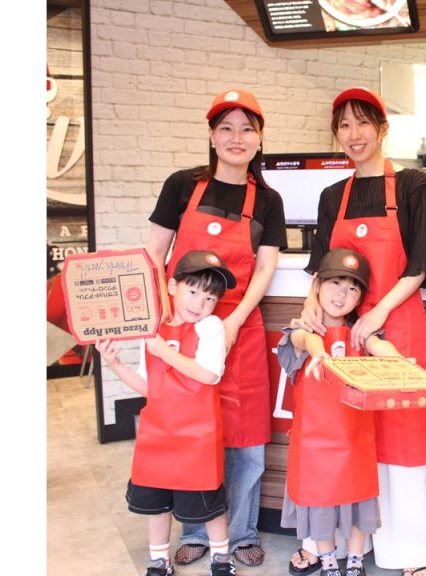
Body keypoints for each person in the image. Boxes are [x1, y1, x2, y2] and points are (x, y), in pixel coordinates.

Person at [297, 86, 426, 576]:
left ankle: (411, 553)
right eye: (344, 125)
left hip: (397, 324)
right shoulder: (332, 196)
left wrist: (377, 314)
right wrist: (310, 304)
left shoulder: (413, 185)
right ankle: (345, 546)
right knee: (346, 436)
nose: (353, 134)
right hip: (341, 333)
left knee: (404, 440)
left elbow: (420, 264)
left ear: (382, 129)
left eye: (362, 122)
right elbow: (320, 267)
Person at [145, 88, 287, 567]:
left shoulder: (267, 200)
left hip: (238, 330)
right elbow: (154, 254)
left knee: (245, 442)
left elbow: (264, 269)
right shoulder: (182, 186)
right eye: (226, 128)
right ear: (211, 135)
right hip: (181, 329)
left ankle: (242, 534)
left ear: (260, 138)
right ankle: (196, 531)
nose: (236, 138)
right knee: (191, 433)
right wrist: (168, 313)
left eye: (247, 129)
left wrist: (231, 322)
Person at [96, 250, 240, 576]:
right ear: (173, 286)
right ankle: (159, 560)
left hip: (196, 438)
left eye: (210, 298)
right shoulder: (154, 328)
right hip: (157, 434)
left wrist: (162, 350)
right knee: (156, 502)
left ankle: (221, 558)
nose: (200, 303)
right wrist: (114, 363)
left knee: (208, 503)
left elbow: (208, 374)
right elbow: (148, 386)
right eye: (193, 291)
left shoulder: (210, 326)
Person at [278, 247, 404, 576]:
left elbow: (379, 346)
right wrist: (319, 351)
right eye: (335, 283)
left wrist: (399, 362)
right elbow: (305, 341)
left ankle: (356, 562)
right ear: (317, 285)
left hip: (355, 443)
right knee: (319, 503)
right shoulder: (300, 330)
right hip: (314, 445)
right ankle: (329, 562)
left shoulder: (361, 333)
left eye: (352, 288)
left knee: (359, 501)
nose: (342, 294)